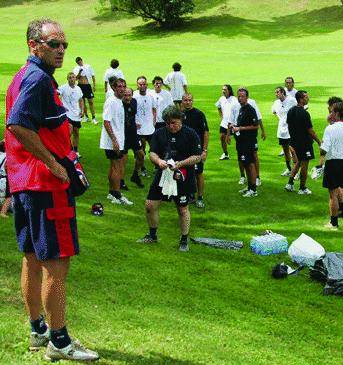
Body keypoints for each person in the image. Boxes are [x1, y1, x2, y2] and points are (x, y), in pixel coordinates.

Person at [5, 18, 99, 361]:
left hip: (26, 184)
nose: (61, 50)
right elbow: (16, 124)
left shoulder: (24, 76)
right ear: (34, 45)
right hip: (45, 185)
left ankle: (38, 329)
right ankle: (60, 342)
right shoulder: (37, 79)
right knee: (56, 264)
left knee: (31, 257)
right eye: (53, 44)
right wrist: (54, 164)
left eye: (64, 45)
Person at [137, 105, 201, 252]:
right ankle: (152, 236)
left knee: (182, 209)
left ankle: (184, 239)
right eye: (167, 123)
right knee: (150, 205)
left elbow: (197, 157)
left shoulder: (190, 134)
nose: (170, 126)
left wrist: (180, 164)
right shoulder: (159, 133)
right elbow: (152, 153)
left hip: (183, 176)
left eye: (174, 122)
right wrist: (159, 162)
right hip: (163, 174)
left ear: (181, 120)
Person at [100, 77, 133, 205]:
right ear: (114, 88)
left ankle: (112, 192)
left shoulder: (119, 101)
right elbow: (106, 121)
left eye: (124, 86)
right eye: (119, 86)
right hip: (113, 141)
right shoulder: (111, 102)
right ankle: (117, 194)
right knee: (117, 166)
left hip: (119, 139)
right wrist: (114, 140)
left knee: (114, 166)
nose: (122, 89)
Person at [285, 90, 321, 194]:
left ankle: (290, 183)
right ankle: (302, 188)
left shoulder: (291, 111)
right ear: (301, 99)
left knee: (298, 162)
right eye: (306, 97)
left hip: (294, 142)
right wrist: (319, 142)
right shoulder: (305, 113)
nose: (308, 98)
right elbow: (310, 131)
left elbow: (289, 125)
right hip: (304, 143)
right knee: (304, 165)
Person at [227, 89, 265, 186]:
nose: (240, 98)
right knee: (244, 162)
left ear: (247, 97)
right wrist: (232, 129)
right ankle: (249, 186)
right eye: (238, 96)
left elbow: (255, 125)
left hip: (249, 140)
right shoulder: (240, 108)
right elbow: (233, 121)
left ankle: (254, 186)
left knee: (250, 163)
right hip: (241, 140)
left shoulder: (250, 109)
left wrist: (240, 128)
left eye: (242, 96)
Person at [181, 93, 209, 208]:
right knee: (186, 173)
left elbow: (205, 132)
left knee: (198, 173)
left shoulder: (199, 114)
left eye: (190, 100)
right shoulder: (180, 115)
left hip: (196, 150)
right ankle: (190, 195)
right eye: (185, 100)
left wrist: (204, 150)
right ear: (182, 101)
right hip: (183, 150)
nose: (188, 102)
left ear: (193, 101)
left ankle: (200, 197)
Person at [320, 101, 343, 229]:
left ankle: (333, 223)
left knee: (333, 194)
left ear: (337, 113)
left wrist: (321, 150)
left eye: (332, 111)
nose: (331, 113)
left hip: (334, 162)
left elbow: (325, 149)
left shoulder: (330, 129)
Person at [311, 96, 343, 180]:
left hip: (335, 160)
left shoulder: (332, 122)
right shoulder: (332, 118)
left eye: (330, 106)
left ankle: (320, 167)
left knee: (334, 187)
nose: (328, 108)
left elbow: (323, 149)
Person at [133, 76, 157, 177]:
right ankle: (141, 169)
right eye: (140, 84)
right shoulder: (134, 97)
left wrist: (154, 121)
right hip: (139, 130)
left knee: (155, 149)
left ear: (147, 85)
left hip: (150, 129)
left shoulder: (151, 96)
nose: (142, 86)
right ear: (137, 85)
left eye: (144, 84)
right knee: (141, 152)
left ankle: (158, 168)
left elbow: (154, 109)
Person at [271, 86, 298, 176]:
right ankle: (289, 169)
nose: (276, 94)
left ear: (283, 92)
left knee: (293, 151)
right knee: (285, 150)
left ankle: (296, 171)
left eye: (278, 92)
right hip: (281, 131)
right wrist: (281, 119)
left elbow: (299, 109)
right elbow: (274, 111)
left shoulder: (291, 100)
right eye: (275, 92)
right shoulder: (276, 103)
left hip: (291, 129)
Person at [122, 87, 145, 189]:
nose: (127, 97)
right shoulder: (120, 104)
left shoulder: (134, 101)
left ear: (132, 95)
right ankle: (121, 181)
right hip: (123, 136)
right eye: (125, 95)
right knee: (123, 160)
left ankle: (135, 174)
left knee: (141, 155)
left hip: (133, 134)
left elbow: (132, 114)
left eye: (129, 95)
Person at [58, 72, 84, 157]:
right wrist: (60, 106)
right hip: (67, 113)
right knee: (69, 131)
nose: (72, 79)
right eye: (70, 77)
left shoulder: (78, 89)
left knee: (76, 132)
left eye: (73, 77)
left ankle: (75, 151)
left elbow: (81, 100)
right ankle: (68, 150)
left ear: (75, 79)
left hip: (76, 114)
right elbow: (57, 94)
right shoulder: (63, 87)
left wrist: (82, 110)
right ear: (67, 79)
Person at [215, 84, 237, 160]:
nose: (223, 91)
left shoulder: (234, 99)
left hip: (233, 123)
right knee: (222, 137)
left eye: (225, 89)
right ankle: (225, 154)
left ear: (229, 91)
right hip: (224, 123)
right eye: (222, 89)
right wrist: (221, 117)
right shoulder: (221, 99)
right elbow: (218, 107)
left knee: (238, 138)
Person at [73, 56, 97, 124]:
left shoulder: (88, 66)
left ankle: (94, 117)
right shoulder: (76, 69)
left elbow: (93, 76)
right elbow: (76, 78)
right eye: (78, 62)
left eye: (80, 61)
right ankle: (86, 117)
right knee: (83, 102)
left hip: (87, 86)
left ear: (81, 60)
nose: (79, 63)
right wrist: (80, 72)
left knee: (91, 102)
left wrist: (94, 85)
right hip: (80, 86)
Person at [0, 140, 11, 218]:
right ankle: (3, 212)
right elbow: (7, 167)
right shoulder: (7, 156)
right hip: (4, 178)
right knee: (8, 196)